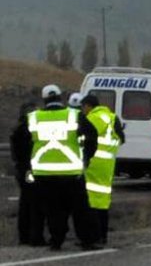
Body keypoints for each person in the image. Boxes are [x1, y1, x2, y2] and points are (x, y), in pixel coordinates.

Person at [29, 84, 100, 251]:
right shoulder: (74, 115)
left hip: (44, 173)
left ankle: (56, 241)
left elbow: (24, 143)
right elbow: (92, 135)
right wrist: (87, 158)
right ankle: (87, 241)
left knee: (53, 210)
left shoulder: (34, 118)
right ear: (60, 98)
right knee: (80, 209)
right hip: (71, 173)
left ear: (44, 99)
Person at [81, 94, 125, 244]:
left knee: (90, 201)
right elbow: (122, 139)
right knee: (103, 201)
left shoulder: (92, 118)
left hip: (93, 164)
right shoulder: (112, 118)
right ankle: (103, 236)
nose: (83, 110)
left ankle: (92, 237)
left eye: (83, 107)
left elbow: (82, 138)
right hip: (107, 166)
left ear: (88, 106)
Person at [10, 101, 46, 246]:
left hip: (22, 170)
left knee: (25, 202)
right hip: (30, 170)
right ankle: (35, 237)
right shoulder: (29, 130)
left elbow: (16, 155)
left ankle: (24, 236)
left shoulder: (18, 129)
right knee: (35, 203)